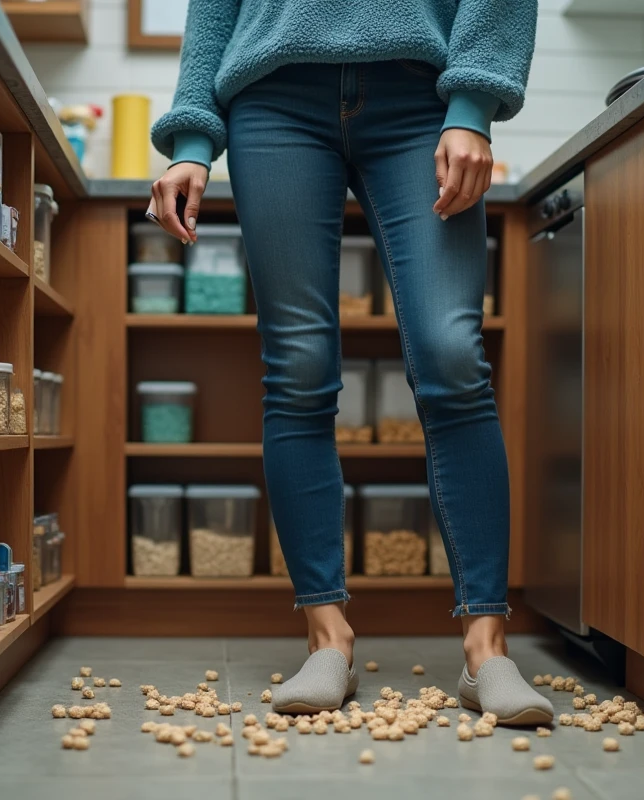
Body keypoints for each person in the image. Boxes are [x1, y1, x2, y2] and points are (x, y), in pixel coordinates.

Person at [148, 0, 551, 725]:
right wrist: (191, 139)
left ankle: (487, 647)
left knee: (452, 354)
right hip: (273, 100)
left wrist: (472, 103)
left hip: (421, 96)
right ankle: (327, 638)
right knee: (299, 368)